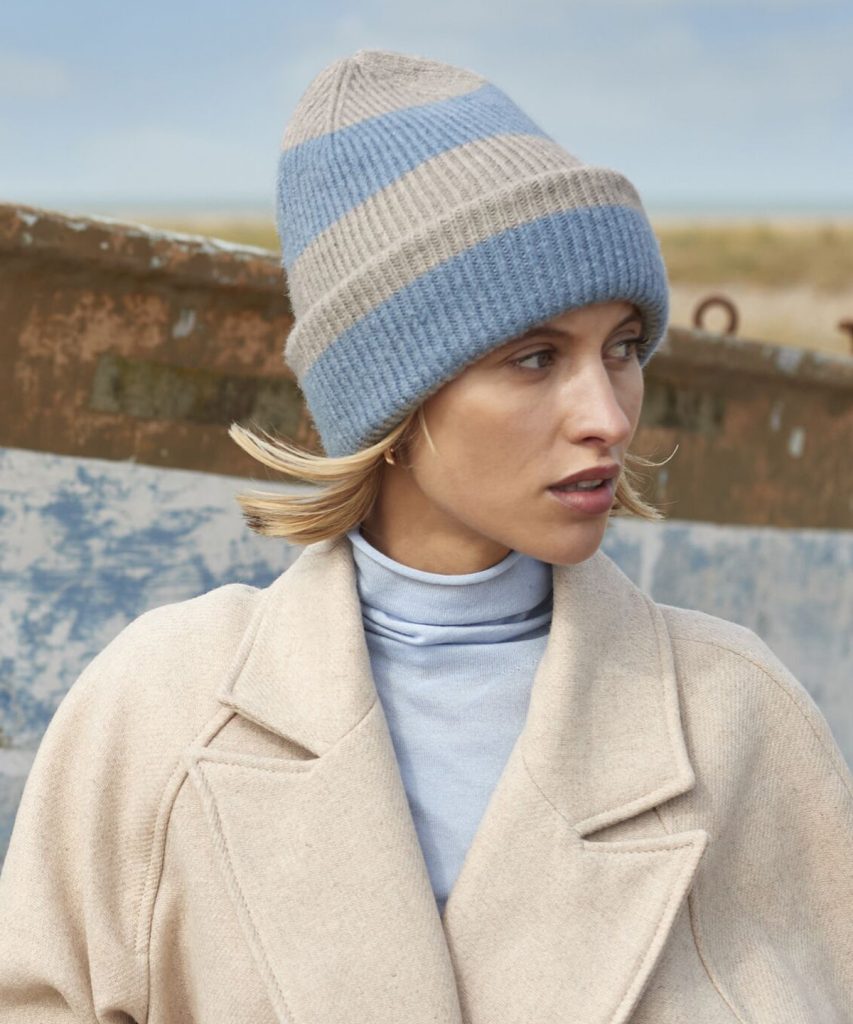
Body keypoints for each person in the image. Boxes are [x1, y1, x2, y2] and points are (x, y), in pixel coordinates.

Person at [0, 47, 851, 1024]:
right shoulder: (157, 706)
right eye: (534, 358)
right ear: (393, 402)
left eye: (621, 347)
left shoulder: (736, 715)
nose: (609, 417)